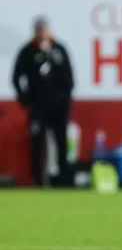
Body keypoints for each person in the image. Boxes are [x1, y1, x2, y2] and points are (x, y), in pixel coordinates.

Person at [12, 17, 75, 187]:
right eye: (38, 29)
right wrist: (26, 102)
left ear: (48, 30)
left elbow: (69, 78)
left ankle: (64, 180)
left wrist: (65, 100)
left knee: (62, 144)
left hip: (59, 108)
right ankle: (38, 180)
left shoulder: (59, 50)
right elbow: (16, 77)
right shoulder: (27, 52)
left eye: (44, 29)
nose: (41, 32)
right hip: (37, 107)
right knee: (37, 144)